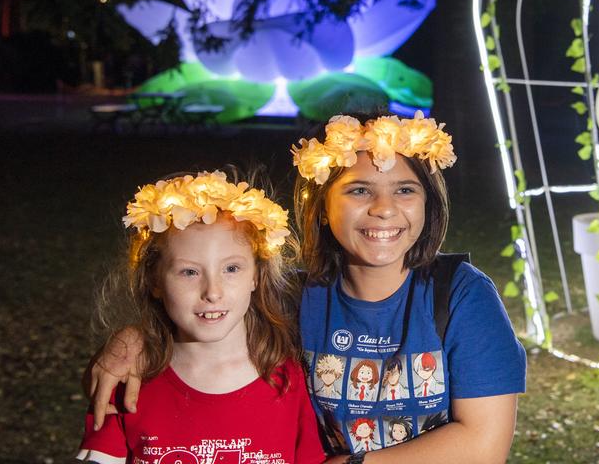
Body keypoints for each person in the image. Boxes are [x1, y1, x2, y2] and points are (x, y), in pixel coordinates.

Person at [90, 112, 527, 463]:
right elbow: (202, 314)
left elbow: (482, 446)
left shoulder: (462, 296)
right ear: (320, 207)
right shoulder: (290, 298)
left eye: (405, 189)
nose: (384, 209)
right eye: (359, 190)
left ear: (428, 202)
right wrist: (131, 340)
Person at [79, 170, 324, 464]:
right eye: (189, 272)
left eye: (231, 268)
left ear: (256, 277)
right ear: (154, 281)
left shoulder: (290, 378)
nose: (212, 292)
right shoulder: (127, 379)